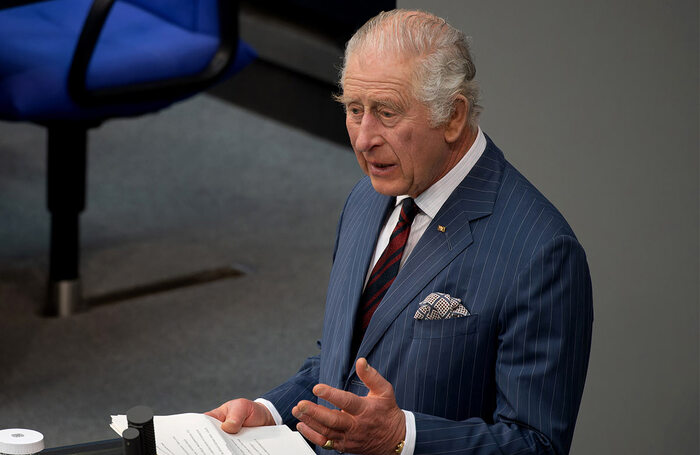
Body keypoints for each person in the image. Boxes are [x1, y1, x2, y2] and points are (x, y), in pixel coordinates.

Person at [206, 9, 593, 455]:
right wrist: (269, 413)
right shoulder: (366, 198)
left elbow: (537, 444)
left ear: (452, 117)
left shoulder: (542, 253)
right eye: (354, 110)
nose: (363, 138)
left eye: (386, 113)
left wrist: (402, 438)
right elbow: (342, 364)